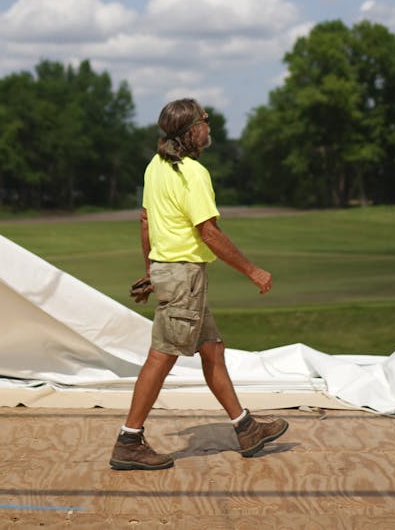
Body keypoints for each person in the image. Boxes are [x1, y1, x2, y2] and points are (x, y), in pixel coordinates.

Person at [110, 98, 288, 471]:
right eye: (205, 121)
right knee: (162, 356)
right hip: (183, 277)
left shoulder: (154, 167)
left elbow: (145, 222)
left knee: (213, 350)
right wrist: (252, 271)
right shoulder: (193, 174)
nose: (210, 127)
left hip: (170, 272)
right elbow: (208, 232)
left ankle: (246, 428)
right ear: (192, 131)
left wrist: (150, 270)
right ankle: (129, 440)